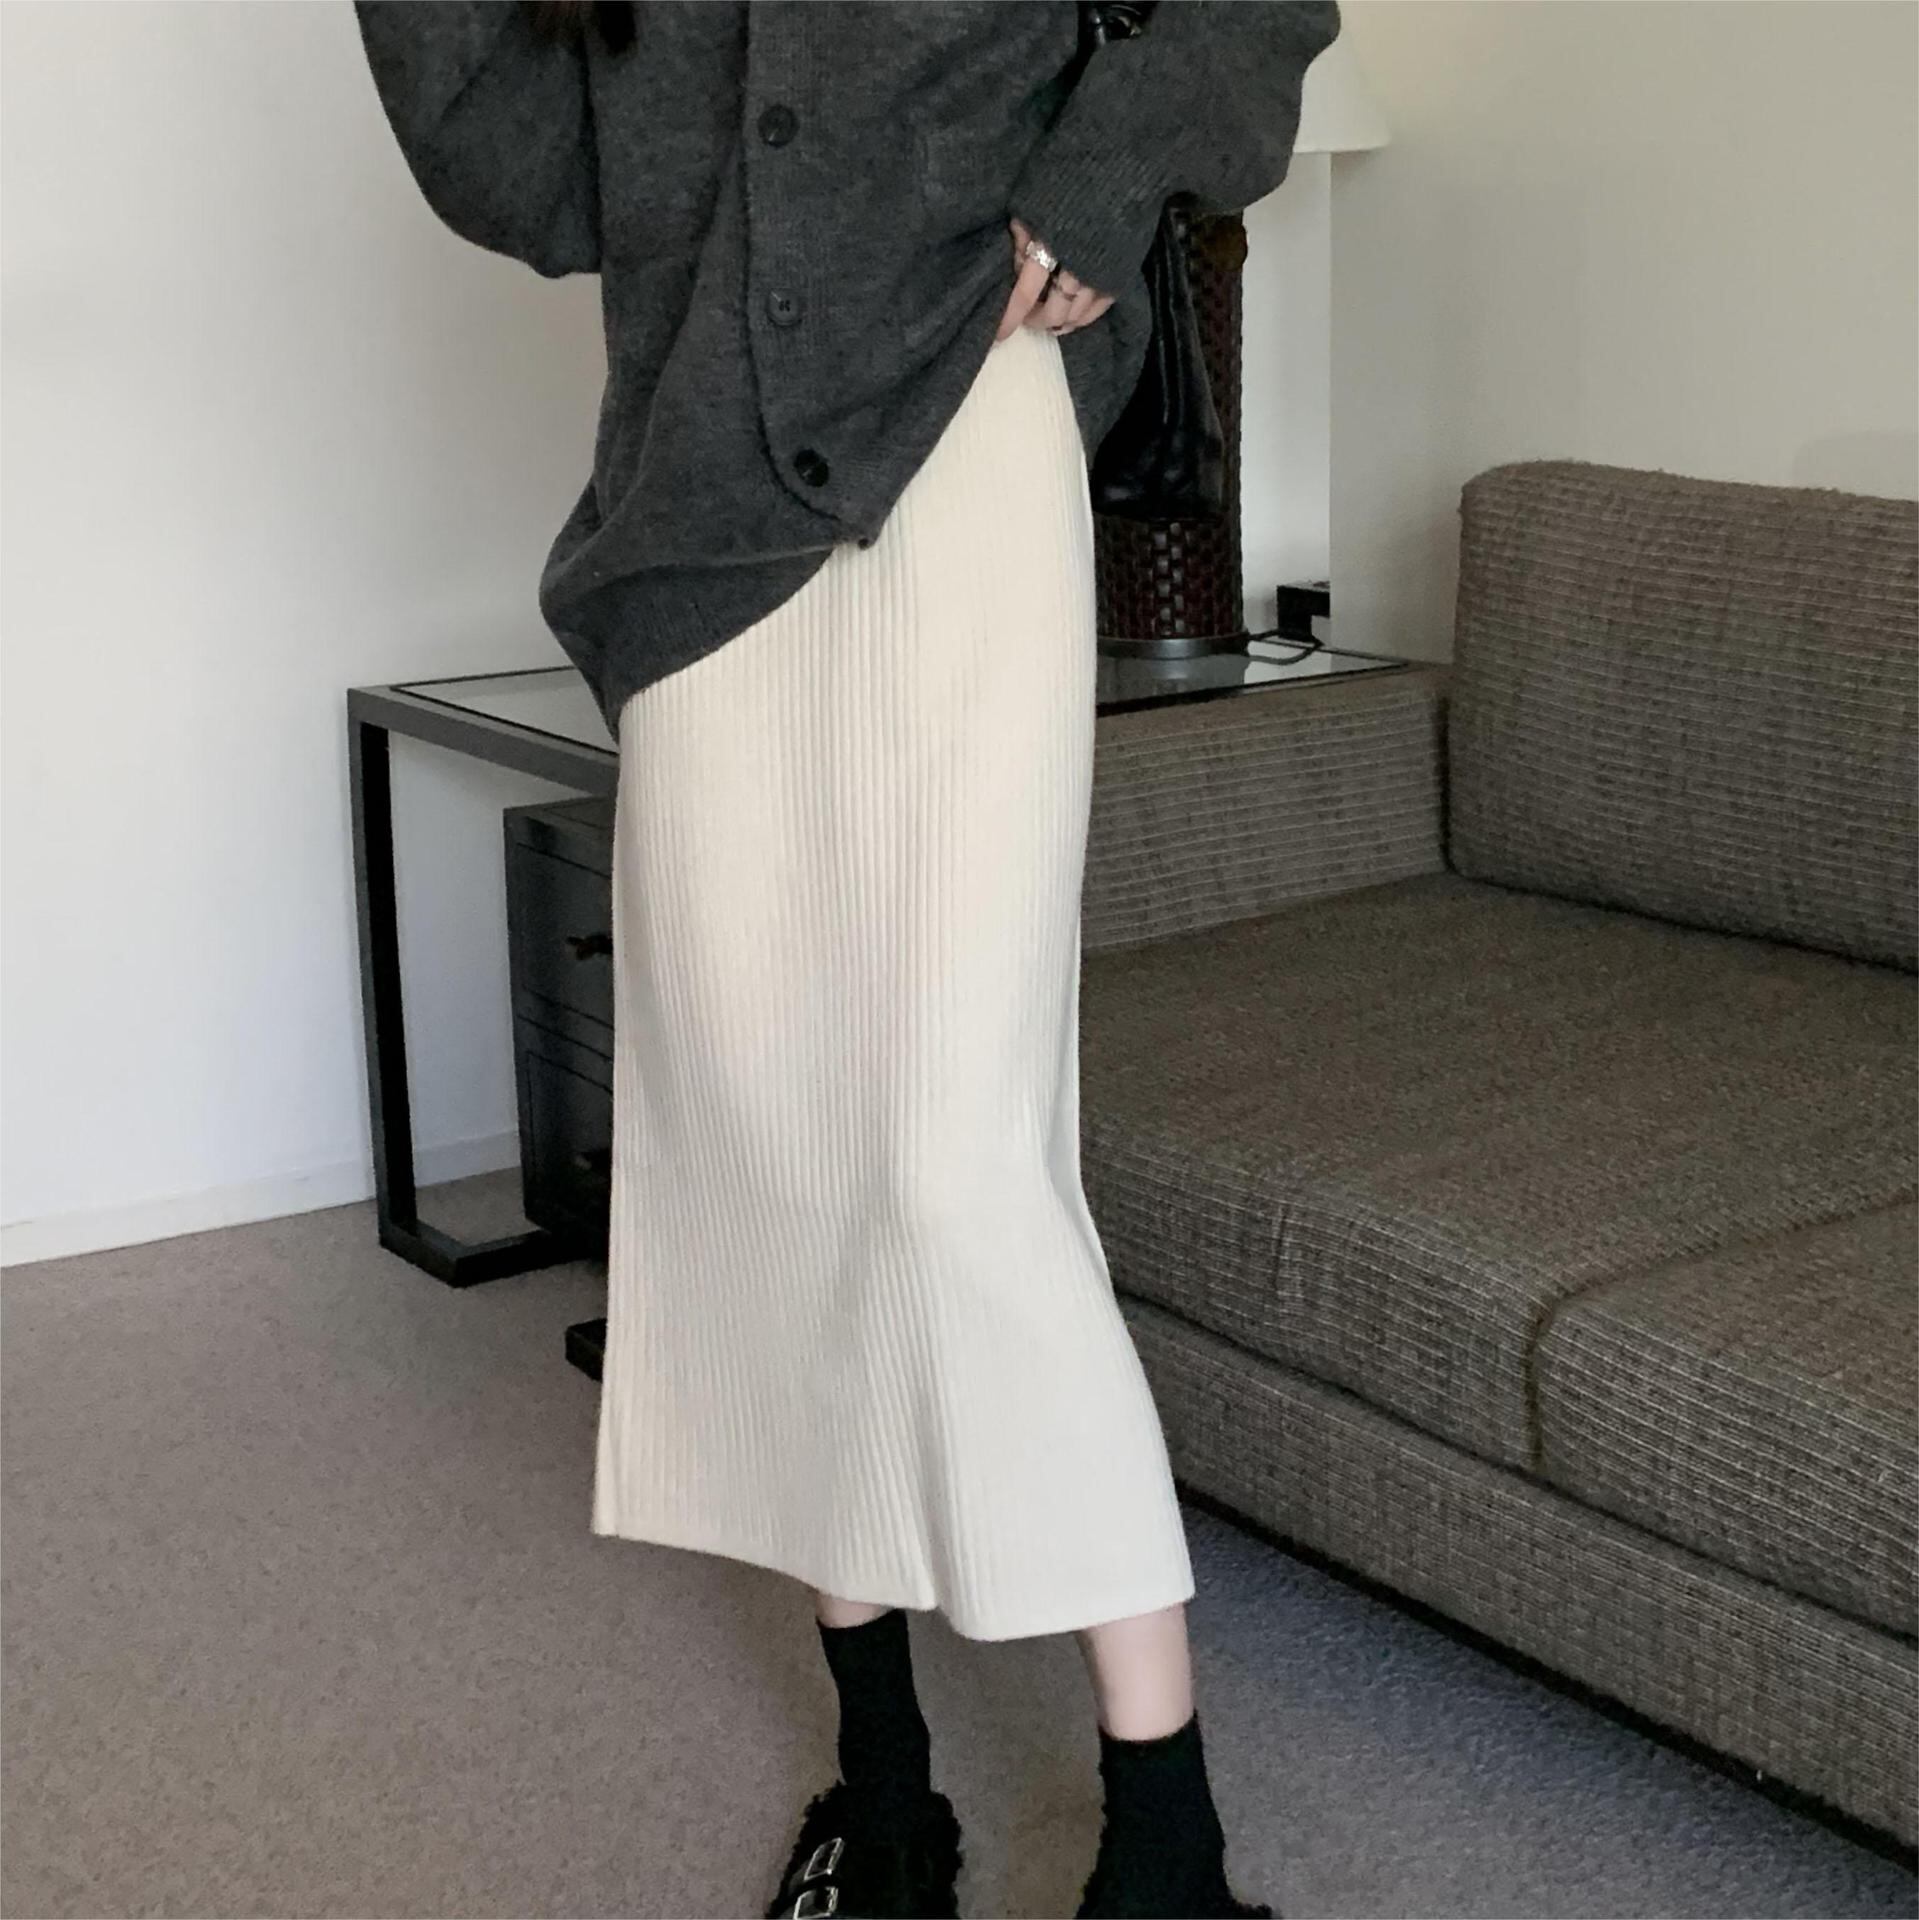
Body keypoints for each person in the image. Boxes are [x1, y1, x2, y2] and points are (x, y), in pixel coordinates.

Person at [351, 4, 1342, 1914]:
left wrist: (1099, 174)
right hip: (703, 537)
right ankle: (884, 1793)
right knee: (767, 1155)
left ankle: (1167, 1845)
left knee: (958, 1167)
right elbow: (531, 174)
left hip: (968, 436)